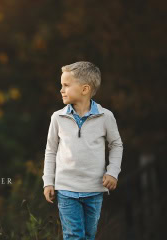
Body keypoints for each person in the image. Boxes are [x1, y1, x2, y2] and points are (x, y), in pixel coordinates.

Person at [42, 61, 123, 240]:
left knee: (88, 236)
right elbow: (51, 150)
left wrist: (113, 172)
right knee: (73, 236)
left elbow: (116, 145)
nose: (61, 90)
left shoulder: (105, 116)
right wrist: (48, 181)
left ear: (85, 89)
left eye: (66, 85)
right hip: (66, 189)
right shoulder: (58, 117)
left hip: (94, 190)